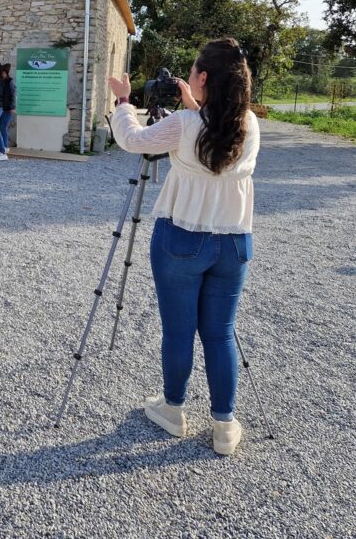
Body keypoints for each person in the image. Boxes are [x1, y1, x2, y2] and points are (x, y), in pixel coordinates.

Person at [108, 37, 259, 456]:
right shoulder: (248, 124)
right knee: (220, 332)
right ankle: (224, 424)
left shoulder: (184, 126)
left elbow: (134, 140)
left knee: (179, 330)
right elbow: (212, 135)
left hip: (182, 238)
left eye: (194, 72)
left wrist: (123, 101)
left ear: (204, 77)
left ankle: (173, 409)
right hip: (233, 242)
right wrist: (193, 104)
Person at [0, 63, 16, 156]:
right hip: (2, 107)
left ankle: (5, 146)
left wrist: (13, 107)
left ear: (5, 72)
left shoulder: (10, 82)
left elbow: (13, 95)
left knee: (3, 127)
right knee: (1, 127)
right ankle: (3, 146)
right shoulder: (1, 81)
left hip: (8, 108)